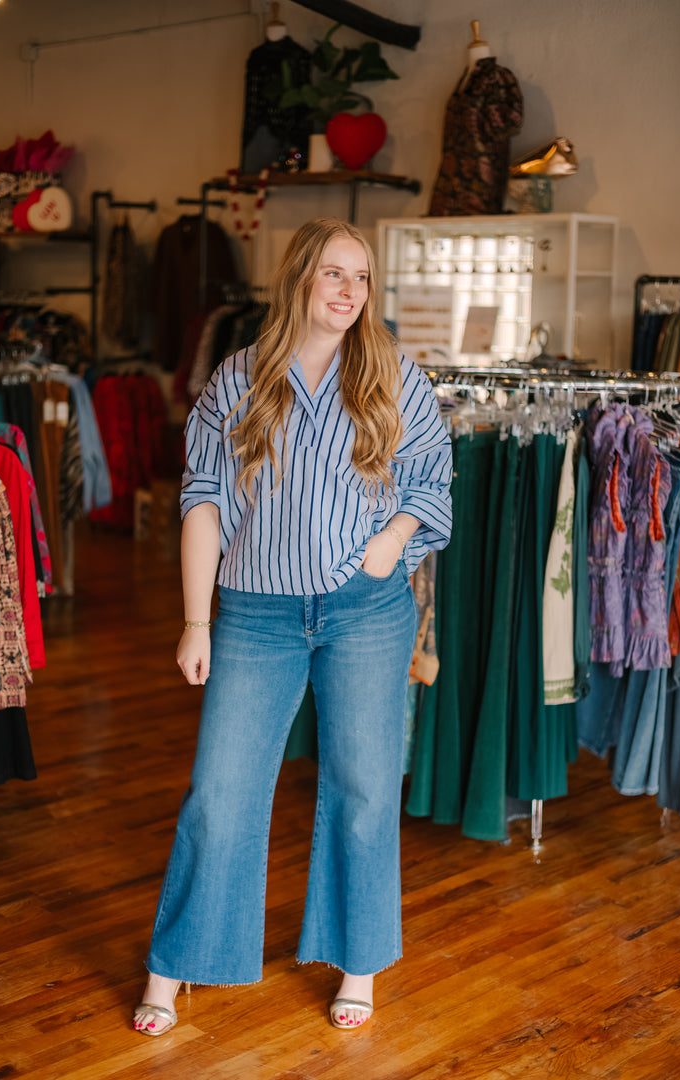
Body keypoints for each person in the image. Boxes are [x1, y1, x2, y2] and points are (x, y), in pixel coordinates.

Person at [133, 217, 453, 1036]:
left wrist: (390, 543)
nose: (350, 291)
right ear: (300, 278)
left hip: (366, 611)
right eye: (334, 273)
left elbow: (431, 481)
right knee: (220, 792)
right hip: (256, 614)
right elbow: (203, 501)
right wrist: (195, 621)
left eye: (362, 277)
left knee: (364, 788)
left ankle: (358, 963)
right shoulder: (239, 376)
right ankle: (176, 963)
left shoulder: (393, 374)